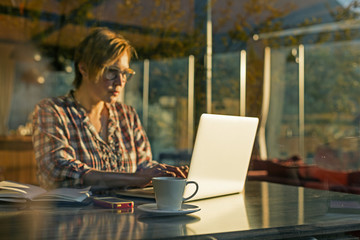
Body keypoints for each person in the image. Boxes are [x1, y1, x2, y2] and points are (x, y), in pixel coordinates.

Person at [32, 28, 187, 190]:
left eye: (125, 73)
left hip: (128, 213)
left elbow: (144, 167)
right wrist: (135, 178)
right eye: (111, 71)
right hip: (74, 215)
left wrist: (165, 173)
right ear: (83, 68)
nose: (121, 81)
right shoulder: (52, 111)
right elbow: (57, 168)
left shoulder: (127, 115)